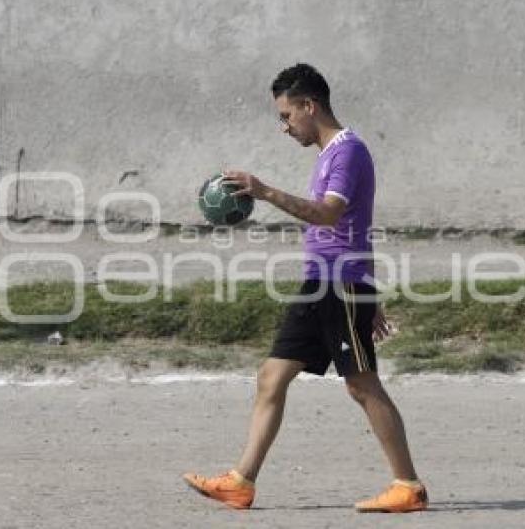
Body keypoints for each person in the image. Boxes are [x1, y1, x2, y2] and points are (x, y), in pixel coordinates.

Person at [183, 63, 427, 513]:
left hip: (340, 285)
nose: (284, 126)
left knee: (361, 385)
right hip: (321, 285)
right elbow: (359, 226)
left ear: (308, 106)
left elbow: (329, 215)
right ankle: (241, 482)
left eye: (286, 115)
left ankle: (407, 485)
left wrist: (265, 191)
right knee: (271, 377)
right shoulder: (329, 155)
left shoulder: (347, 153)